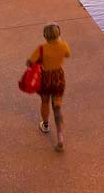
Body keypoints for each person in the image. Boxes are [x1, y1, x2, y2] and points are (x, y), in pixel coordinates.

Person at [29, 22, 71, 151]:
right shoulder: (63, 45)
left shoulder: (41, 49)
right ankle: (60, 138)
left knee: (45, 101)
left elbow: (30, 62)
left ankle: (46, 125)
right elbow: (67, 55)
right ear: (59, 34)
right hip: (58, 78)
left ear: (44, 36)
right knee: (57, 107)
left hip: (45, 78)